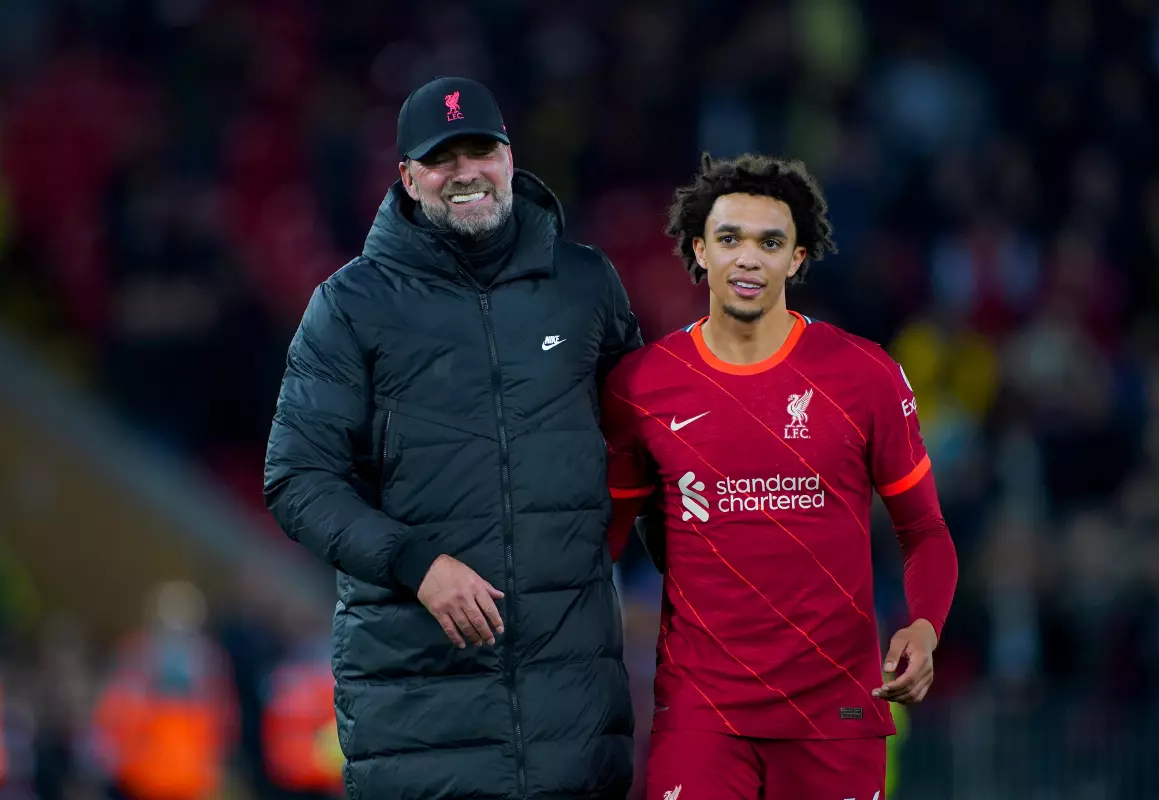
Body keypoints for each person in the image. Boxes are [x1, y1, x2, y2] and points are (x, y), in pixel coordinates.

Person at [264, 77, 640, 799]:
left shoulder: (586, 285)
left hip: (574, 718)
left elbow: (646, 451)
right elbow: (296, 480)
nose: (465, 172)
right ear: (408, 178)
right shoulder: (350, 305)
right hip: (417, 717)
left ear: (509, 158)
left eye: (480, 151)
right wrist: (417, 564)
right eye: (441, 159)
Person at [600, 153, 959, 799]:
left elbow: (925, 531)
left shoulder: (865, 375)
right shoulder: (642, 386)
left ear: (797, 258)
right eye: (729, 238)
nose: (748, 258)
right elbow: (603, 540)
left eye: (770, 242)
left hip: (835, 715)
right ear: (699, 250)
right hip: (703, 715)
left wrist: (924, 627)